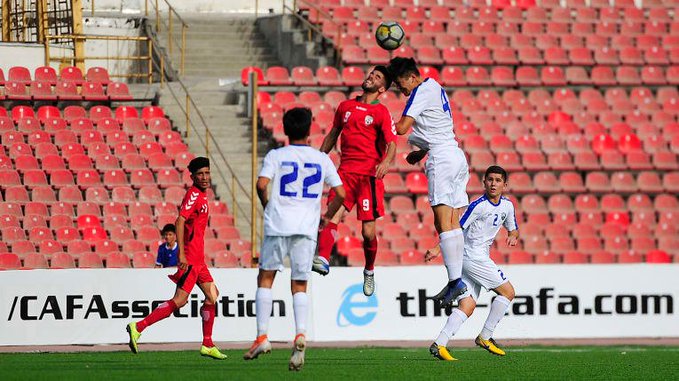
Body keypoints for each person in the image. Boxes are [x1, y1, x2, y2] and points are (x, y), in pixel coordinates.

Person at [244, 107, 345, 371]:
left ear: (285, 129)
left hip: (278, 224)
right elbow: (342, 193)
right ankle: (300, 334)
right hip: (306, 228)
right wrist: (327, 215)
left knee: (265, 278)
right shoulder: (321, 159)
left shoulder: (277, 155)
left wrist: (267, 205)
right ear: (309, 129)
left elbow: (261, 184)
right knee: (299, 284)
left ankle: (262, 336)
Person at [387, 57, 469, 306]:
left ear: (413, 77)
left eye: (402, 87)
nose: (402, 92)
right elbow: (435, 125)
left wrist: (379, 121)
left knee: (442, 222)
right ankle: (456, 279)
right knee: (452, 222)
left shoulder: (420, 91)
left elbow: (401, 128)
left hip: (443, 160)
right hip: (455, 155)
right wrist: (420, 152)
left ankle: (456, 281)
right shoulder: (435, 86)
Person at [126, 157, 227, 360]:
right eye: (200, 174)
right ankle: (138, 326)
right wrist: (181, 254)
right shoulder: (193, 195)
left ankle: (207, 343)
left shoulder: (203, 195)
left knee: (212, 295)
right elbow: (179, 220)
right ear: (193, 177)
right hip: (190, 259)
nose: (205, 177)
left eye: (207, 173)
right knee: (179, 301)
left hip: (199, 260)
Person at [312, 65, 397, 297]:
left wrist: (386, 162)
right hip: (345, 173)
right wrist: (319, 159)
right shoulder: (345, 106)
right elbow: (333, 134)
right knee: (331, 215)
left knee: (368, 232)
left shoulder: (381, 112)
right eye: (371, 73)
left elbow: (392, 144)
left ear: (382, 88)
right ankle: (322, 258)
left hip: (368, 177)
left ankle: (369, 270)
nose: (370, 77)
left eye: (377, 77)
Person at [426, 166, 519, 361]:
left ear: (505, 185)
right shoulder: (478, 205)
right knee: (508, 292)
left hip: (473, 258)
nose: (493, 183)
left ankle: (439, 343)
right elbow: (456, 228)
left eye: (498, 180)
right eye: (490, 179)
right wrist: (437, 248)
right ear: (484, 182)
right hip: (472, 256)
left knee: (467, 305)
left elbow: (513, 228)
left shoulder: (508, 206)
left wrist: (512, 235)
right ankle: (485, 336)